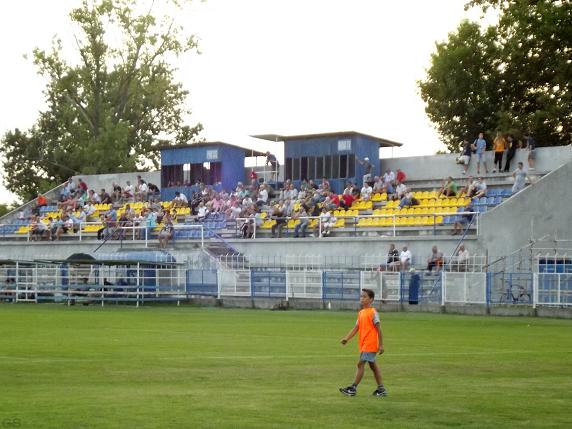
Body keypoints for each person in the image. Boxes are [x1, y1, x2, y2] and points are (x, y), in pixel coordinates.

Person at [339, 288, 387, 397]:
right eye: (361, 296)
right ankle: (381, 389)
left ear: (371, 299)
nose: (362, 298)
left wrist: (381, 344)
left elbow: (379, 329)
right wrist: (347, 338)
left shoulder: (373, 312)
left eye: (364, 296)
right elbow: (356, 328)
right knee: (373, 366)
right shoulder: (361, 313)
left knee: (360, 364)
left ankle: (353, 388)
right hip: (364, 344)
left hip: (370, 344)